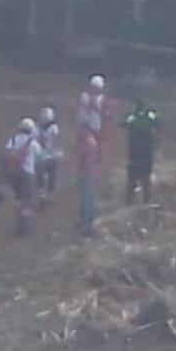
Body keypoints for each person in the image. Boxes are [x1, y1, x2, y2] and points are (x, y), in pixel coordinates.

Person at [76, 75, 110, 235]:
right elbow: (106, 115)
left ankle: (84, 218)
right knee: (89, 185)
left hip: (87, 139)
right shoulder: (98, 100)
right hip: (92, 138)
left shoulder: (84, 98)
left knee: (85, 183)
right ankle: (88, 222)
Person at [4, 117, 43, 236]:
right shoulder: (33, 143)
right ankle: (25, 228)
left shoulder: (13, 139)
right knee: (27, 202)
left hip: (15, 173)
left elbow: (7, 152)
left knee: (19, 200)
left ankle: (18, 225)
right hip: (28, 174)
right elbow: (39, 156)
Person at [122, 100, 161, 205]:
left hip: (134, 153)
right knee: (146, 179)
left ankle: (129, 201)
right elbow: (158, 123)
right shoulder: (150, 117)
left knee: (132, 179)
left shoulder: (132, 117)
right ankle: (146, 201)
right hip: (147, 153)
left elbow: (123, 124)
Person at [36, 106, 63, 203]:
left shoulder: (36, 127)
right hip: (51, 156)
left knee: (42, 176)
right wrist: (58, 151)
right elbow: (56, 140)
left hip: (41, 156)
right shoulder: (54, 127)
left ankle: (42, 195)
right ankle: (50, 195)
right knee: (51, 176)